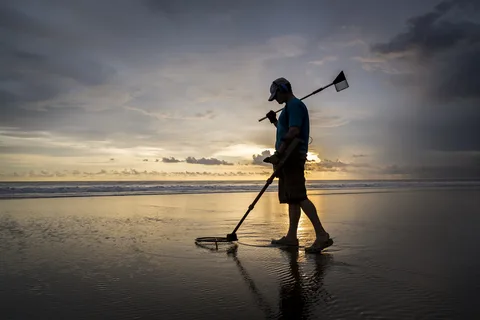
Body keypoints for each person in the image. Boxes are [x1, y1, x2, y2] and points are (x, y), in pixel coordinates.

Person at [263, 77, 333, 253]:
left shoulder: (295, 105)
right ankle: (291, 237)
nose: (275, 99)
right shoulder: (289, 108)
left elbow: (294, 131)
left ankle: (322, 235)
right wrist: (274, 121)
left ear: (283, 89)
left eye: (276, 94)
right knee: (292, 199)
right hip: (287, 157)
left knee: (299, 196)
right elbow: (286, 130)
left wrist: (278, 154)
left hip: (291, 156)